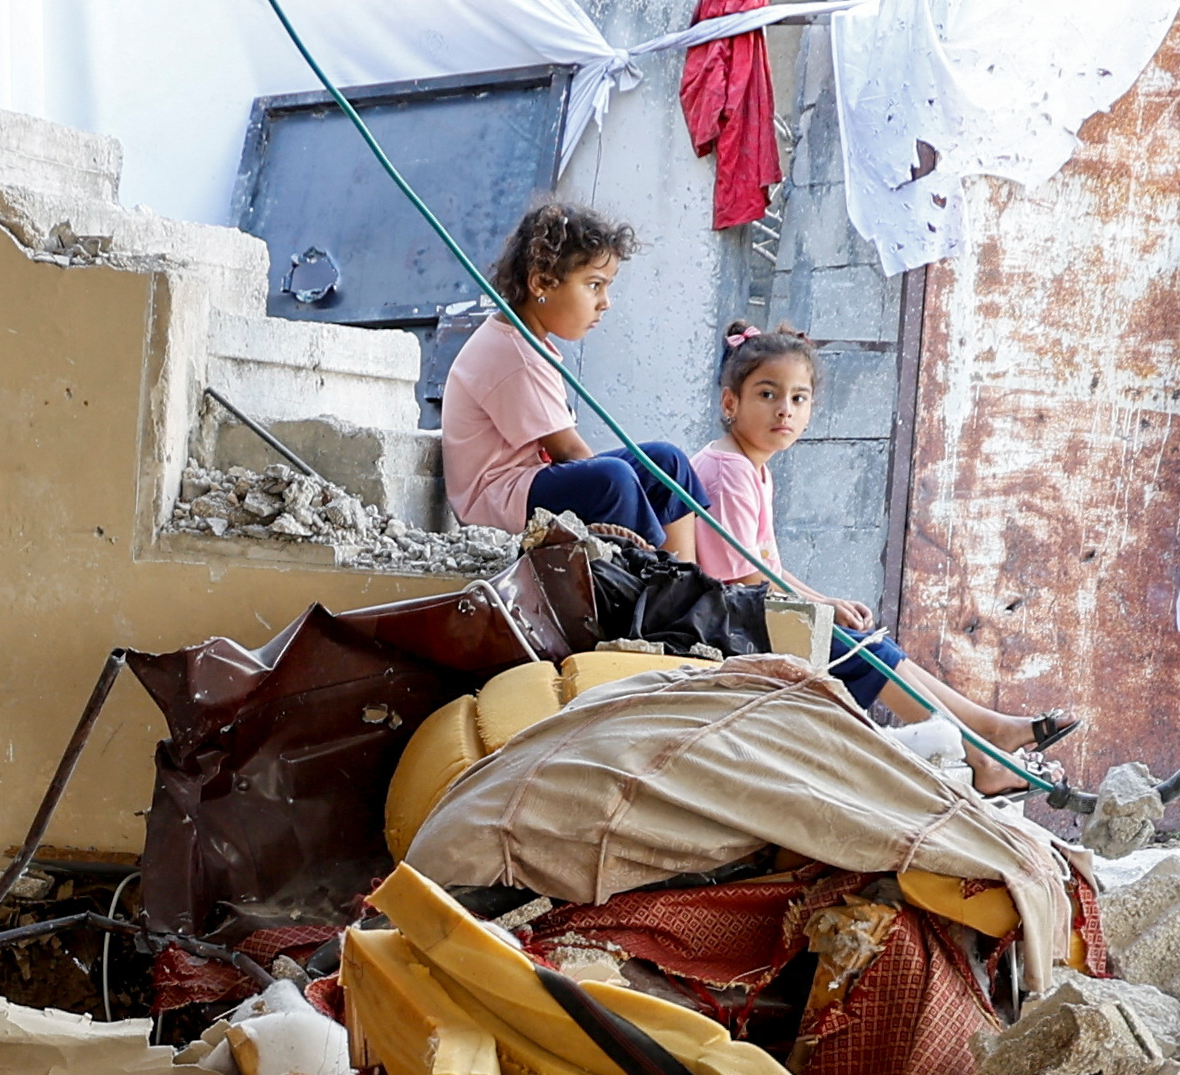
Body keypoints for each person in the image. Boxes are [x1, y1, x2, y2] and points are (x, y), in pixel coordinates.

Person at [694, 323, 1078, 796]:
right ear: (730, 404)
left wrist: (822, 600)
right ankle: (983, 753)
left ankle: (988, 732)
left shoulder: (751, 468)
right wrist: (818, 609)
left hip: (750, 606)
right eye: (768, 395)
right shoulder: (727, 470)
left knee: (865, 638)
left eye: (799, 398)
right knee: (865, 652)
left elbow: (765, 565)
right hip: (727, 621)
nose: (784, 410)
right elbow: (744, 575)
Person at [435, 202, 700, 540]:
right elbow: (570, 453)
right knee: (612, 481)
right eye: (594, 285)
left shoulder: (526, 340)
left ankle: (684, 573)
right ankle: (656, 575)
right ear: (542, 283)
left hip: (529, 483)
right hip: (498, 502)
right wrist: (626, 492)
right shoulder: (516, 354)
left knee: (666, 464)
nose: (606, 302)